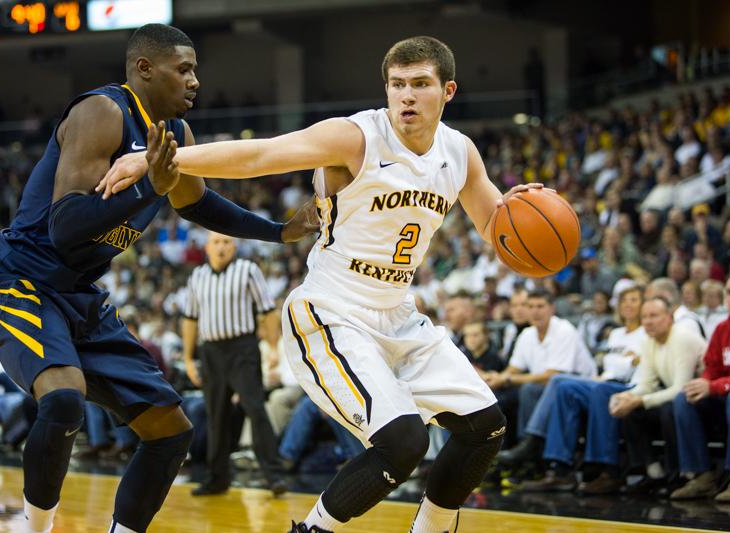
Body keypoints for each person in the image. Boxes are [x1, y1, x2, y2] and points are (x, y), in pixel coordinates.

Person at [101, 35, 535, 533]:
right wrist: (162, 161)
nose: (406, 96)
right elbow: (261, 155)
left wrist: (518, 214)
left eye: (420, 85)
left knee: (486, 427)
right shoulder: (355, 137)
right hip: (332, 312)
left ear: (448, 91)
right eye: (397, 85)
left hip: (399, 314)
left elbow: (499, 232)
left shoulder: (460, 153)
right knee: (404, 444)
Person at [0, 24, 314, 533]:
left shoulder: (177, 135)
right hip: (19, 281)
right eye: (184, 69)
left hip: (79, 295)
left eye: (195, 69)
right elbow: (64, 229)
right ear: (144, 69)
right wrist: (147, 186)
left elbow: (196, 202)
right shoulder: (102, 113)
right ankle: (34, 528)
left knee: (170, 432)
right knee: (63, 399)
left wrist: (280, 231)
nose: (195, 80)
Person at [182, 231, 287, 496]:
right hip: (211, 352)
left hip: (243, 349)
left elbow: (267, 311)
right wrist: (188, 358)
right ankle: (218, 479)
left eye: (227, 242)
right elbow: (190, 319)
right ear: (207, 247)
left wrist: (273, 348)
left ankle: (273, 475)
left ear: (234, 246)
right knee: (215, 416)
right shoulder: (197, 277)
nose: (221, 247)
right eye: (216, 242)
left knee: (255, 409)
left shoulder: (248, 270)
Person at [608, 296, 706, 496]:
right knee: (630, 411)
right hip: (680, 398)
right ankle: (652, 472)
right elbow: (646, 383)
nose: (648, 321)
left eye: (654, 316)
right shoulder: (649, 341)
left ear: (669, 318)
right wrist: (625, 397)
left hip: (702, 401)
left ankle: (679, 474)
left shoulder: (681, 337)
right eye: (644, 317)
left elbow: (680, 388)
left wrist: (640, 400)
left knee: (669, 411)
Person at [484, 289, 595, 451]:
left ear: (552, 309)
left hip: (580, 388)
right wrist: (496, 378)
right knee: (498, 396)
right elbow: (514, 368)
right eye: (531, 306)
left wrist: (506, 379)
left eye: (540, 306)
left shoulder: (564, 329)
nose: (535, 311)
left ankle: (528, 446)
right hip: (547, 388)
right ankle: (500, 452)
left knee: (529, 390)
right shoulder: (527, 334)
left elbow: (553, 376)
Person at [670, 273, 730, 502]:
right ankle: (702, 476)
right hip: (727, 399)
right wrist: (702, 383)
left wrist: (714, 386)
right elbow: (711, 368)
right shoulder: (722, 330)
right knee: (685, 397)